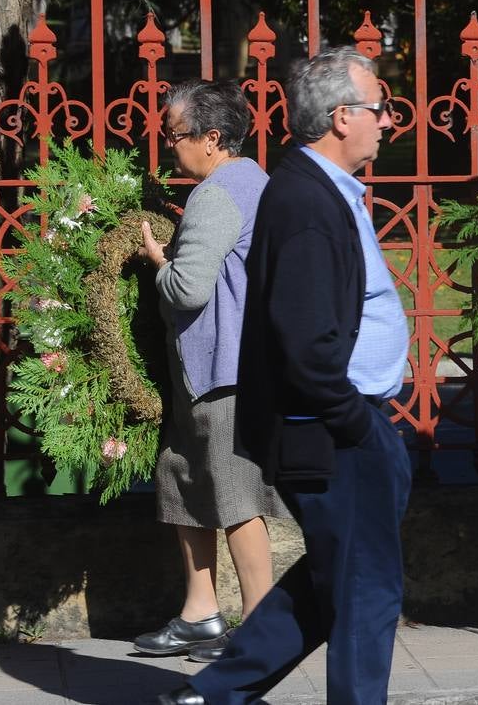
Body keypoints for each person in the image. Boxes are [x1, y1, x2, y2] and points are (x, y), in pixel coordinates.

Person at [159, 47, 411, 705]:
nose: (387, 122)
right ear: (341, 118)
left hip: (346, 421)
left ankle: (212, 694)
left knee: (336, 579)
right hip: (334, 426)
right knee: (368, 592)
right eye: (378, 109)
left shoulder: (319, 189)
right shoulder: (304, 201)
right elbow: (304, 341)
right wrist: (358, 425)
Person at [133, 80, 288, 663]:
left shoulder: (217, 195)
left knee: (233, 493)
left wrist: (158, 263)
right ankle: (200, 612)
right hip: (228, 366)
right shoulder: (256, 182)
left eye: (174, 135)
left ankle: (262, 624)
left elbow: (188, 287)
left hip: (222, 370)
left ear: (212, 138)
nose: (169, 147)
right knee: (185, 478)